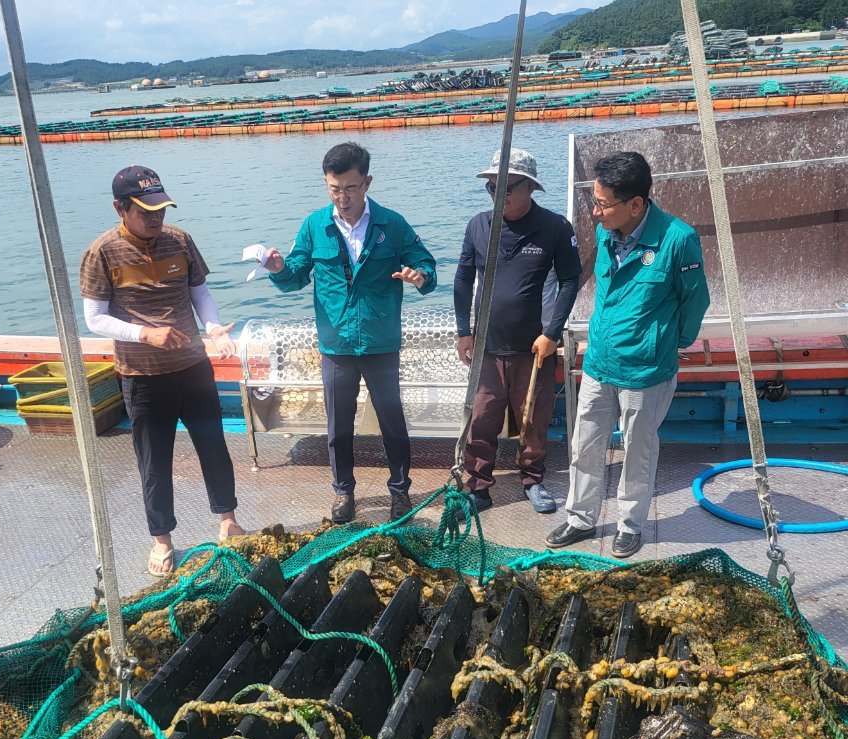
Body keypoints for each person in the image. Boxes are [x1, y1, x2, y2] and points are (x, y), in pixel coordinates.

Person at [80, 165, 245, 577]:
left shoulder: (179, 240)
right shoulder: (101, 252)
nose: (157, 218)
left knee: (214, 447)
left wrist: (212, 327)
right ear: (120, 207)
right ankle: (162, 540)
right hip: (142, 376)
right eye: (145, 211)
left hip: (193, 366)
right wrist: (144, 334)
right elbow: (94, 318)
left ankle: (227, 520)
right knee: (154, 462)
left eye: (161, 209)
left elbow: (200, 293)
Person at [546, 151, 710, 559]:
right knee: (584, 445)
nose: (596, 212)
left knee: (638, 450)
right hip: (600, 362)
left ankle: (630, 524)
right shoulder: (607, 233)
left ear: (635, 205)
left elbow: (695, 302)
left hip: (646, 369)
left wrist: (670, 343)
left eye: (602, 204)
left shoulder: (678, 240)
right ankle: (580, 518)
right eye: (594, 201)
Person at [263, 142, 437, 524]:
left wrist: (419, 276)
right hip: (336, 345)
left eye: (351, 188)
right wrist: (277, 269)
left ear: (367, 182)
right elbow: (294, 276)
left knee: (393, 422)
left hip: (380, 342)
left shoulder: (392, 224)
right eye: (334, 188)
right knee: (338, 427)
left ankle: (400, 491)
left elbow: (426, 266)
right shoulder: (314, 226)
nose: (343, 198)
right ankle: (343, 492)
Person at [454, 148, 581, 517]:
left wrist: (552, 332)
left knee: (533, 418)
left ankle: (533, 479)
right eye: (493, 188)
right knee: (482, 418)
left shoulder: (555, 227)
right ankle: (478, 487)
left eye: (508, 188)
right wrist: (465, 331)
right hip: (487, 348)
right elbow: (463, 280)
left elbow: (571, 281)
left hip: (534, 346)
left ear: (530, 188)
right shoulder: (478, 225)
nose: (500, 196)